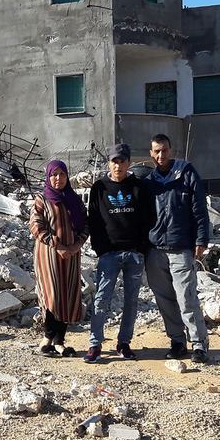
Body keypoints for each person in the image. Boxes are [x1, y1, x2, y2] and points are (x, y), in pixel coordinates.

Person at [143, 133, 211, 364]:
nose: (161, 155)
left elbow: (200, 210)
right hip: (155, 250)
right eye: (156, 151)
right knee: (164, 299)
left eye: (164, 150)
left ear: (170, 151)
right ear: (151, 154)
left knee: (186, 297)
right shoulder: (149, 181)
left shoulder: (186, 173)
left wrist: (201, 240)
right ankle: (177, 342)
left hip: (181, 247)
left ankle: (199, 344)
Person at [84, 143, 152, 363]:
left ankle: (124, 343)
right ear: (109, 163)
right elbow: (93, 220)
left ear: (129, 163)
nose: (118, 165)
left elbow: (147, 219)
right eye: (114, 161)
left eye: (122, 161)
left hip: (134, 254)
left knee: (131, 301)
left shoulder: (138, 187)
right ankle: (95, 344)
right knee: (101, 299)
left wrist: (142, 248)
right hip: (109, 254)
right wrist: (101, 249)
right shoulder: (99, 188)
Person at [29, 160, 89, 357]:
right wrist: (58, 245)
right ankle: (47, 338)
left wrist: (75, 245)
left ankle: (59, 342)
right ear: (48, 177)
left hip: (71, 256)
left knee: (67, 296)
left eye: (62, 175)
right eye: (54, 175)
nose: (58, 179)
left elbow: (85, 226)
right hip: (49, 256)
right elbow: (36, 226)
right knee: (51, 296)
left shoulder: (74, 200)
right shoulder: (42, 199)